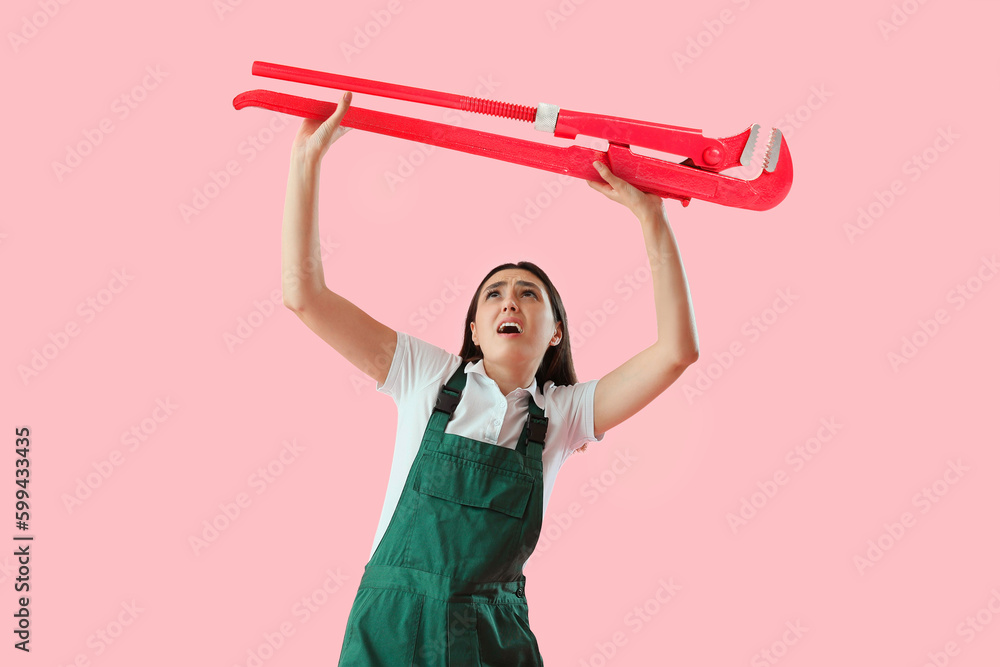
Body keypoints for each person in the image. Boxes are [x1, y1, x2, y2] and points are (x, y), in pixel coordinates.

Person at [281, 91, 699, 666]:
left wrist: (651, 220)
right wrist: (307, 164)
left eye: (530, 294)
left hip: (492, 638)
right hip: (394, 628)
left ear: (555, 331)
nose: (512, 301)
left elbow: (677, 352)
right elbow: (305, 297)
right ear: (475, 327)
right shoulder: (428, 377)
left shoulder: (564, 416)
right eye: (495, 294)